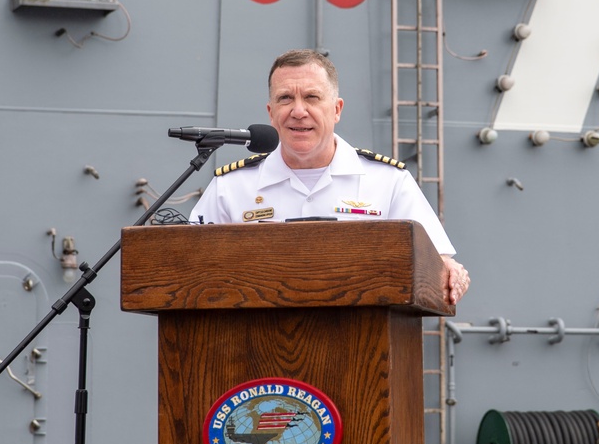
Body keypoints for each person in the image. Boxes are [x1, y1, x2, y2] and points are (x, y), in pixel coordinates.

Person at [189, 48, 470, 304]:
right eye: (285, 98)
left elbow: (435, 266)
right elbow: (190, 267)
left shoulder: (388, 182)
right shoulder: (231, 186)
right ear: (271, 113)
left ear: (336, 109)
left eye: (312, 97)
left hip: (365, 350)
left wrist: (447, 268)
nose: (298, 112)